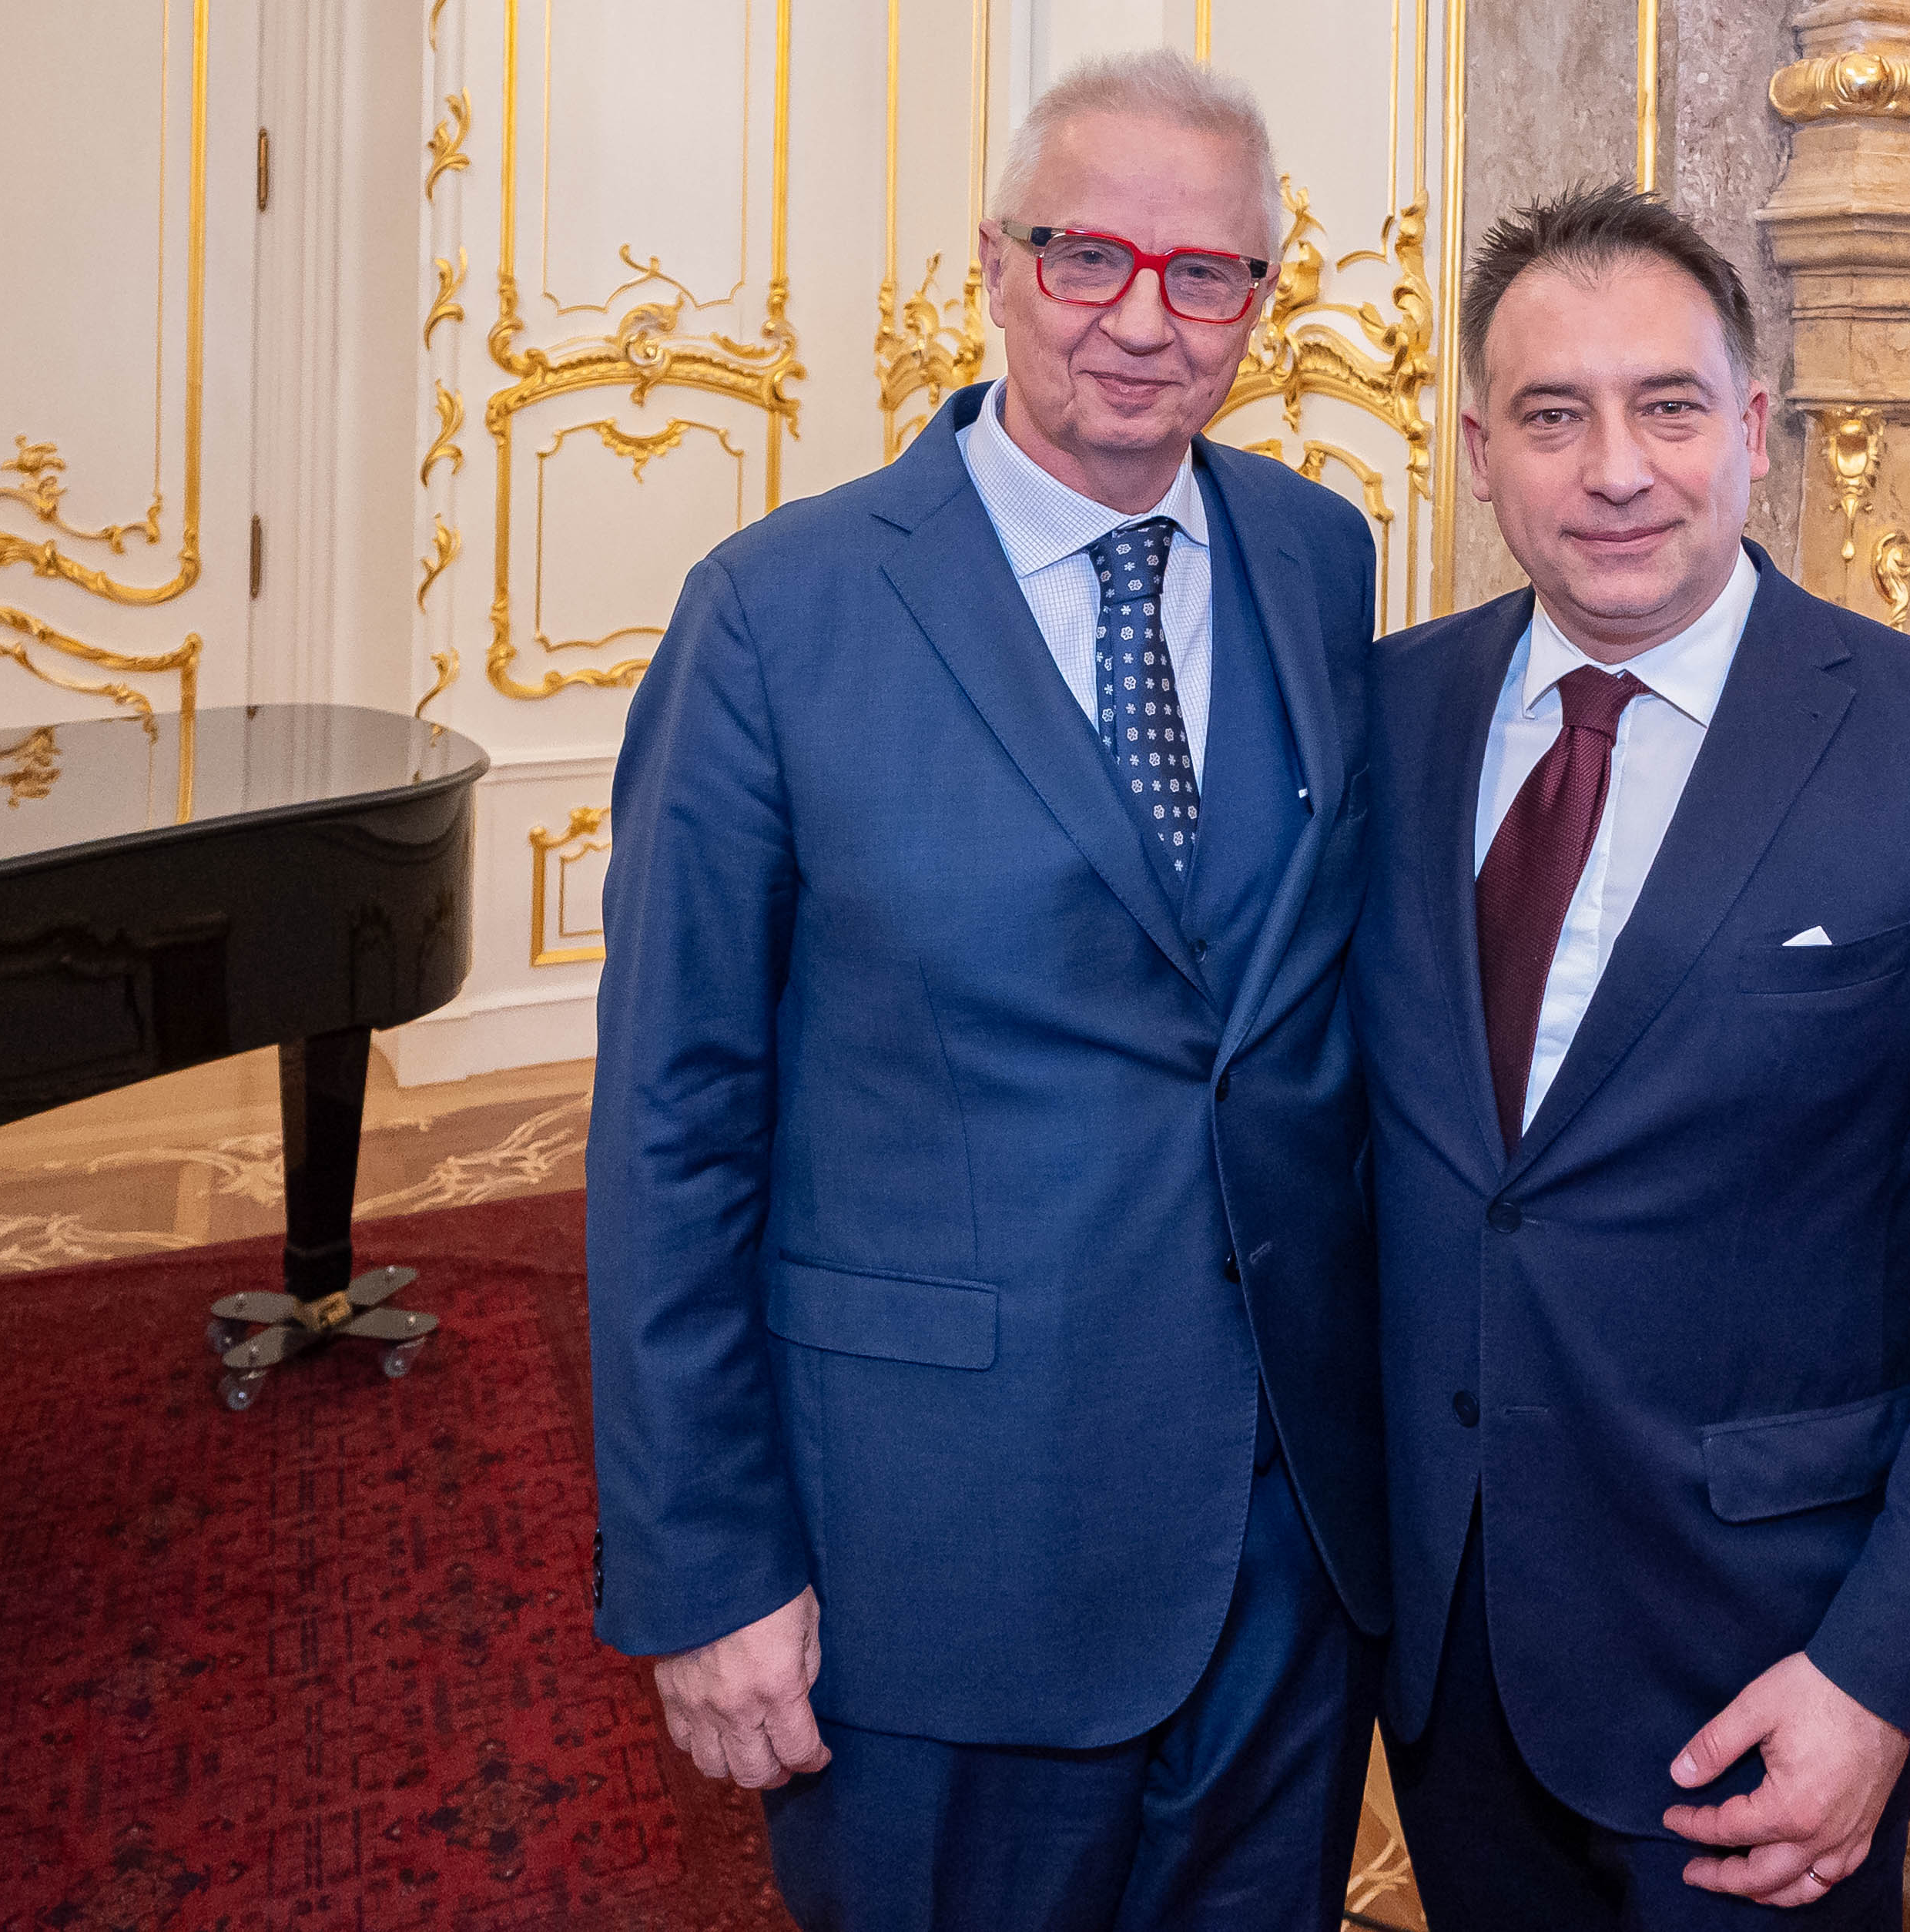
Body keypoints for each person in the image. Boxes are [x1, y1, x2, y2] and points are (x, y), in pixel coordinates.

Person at [585, 50, 1386, 1932]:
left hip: (1282, 1548)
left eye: (1204, 273)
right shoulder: (773, 613)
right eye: (1086, 255)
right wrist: (706, 1563)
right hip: (939, 1554)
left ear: (1263, 302)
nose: (1143, 321)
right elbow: (672, 1125)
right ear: (997, 264)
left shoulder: (1316, 555)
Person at [1352, 184, 1910, 1927]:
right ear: (1477, 454)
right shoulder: (1380, 719)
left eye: (1668, 406)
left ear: (1755, 427)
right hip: (1445, 1638)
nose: (1614, 470)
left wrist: (1885, 1670)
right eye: (1551, 416)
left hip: (1772, 1660)